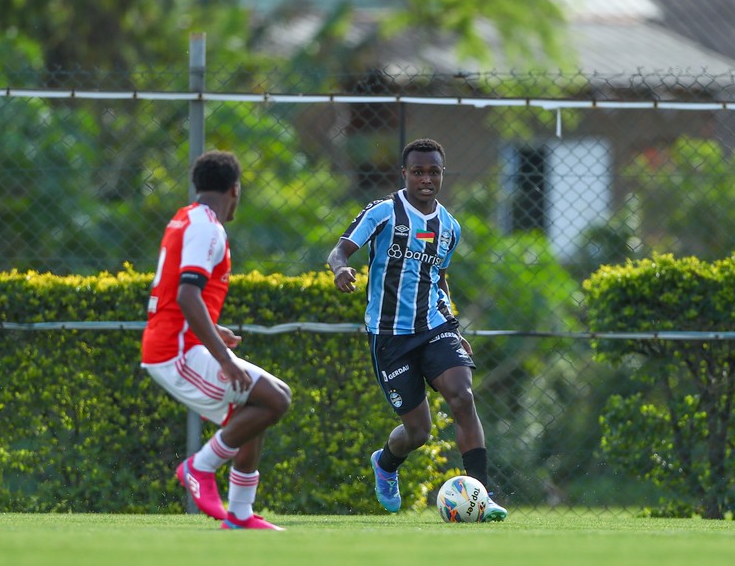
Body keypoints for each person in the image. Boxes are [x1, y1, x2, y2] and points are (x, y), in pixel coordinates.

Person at [327, 138, 506, 522]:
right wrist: (341, 269)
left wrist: (454, 328)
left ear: (443, 174)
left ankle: (482, 495)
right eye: (419, 171)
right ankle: (387, 463)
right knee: (418, 432)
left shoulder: (449, 227)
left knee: (462, 396)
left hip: (435, 327)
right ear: (404, 173)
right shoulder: (382, 212)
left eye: (434, 172)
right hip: (389, 336)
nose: (426, 179)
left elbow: (438, 279)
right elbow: (338, 251)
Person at [142, 150, 291, 530]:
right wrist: (223, 356)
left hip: (180, 340)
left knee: (256, 406)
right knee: (275, 398)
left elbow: (182, 292)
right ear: (235, 190)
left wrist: (211, 328)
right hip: (173, 351)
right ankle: (199, 466)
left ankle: (240, 514)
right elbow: (187, 295)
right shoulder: (208, 226)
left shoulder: (185, 218)